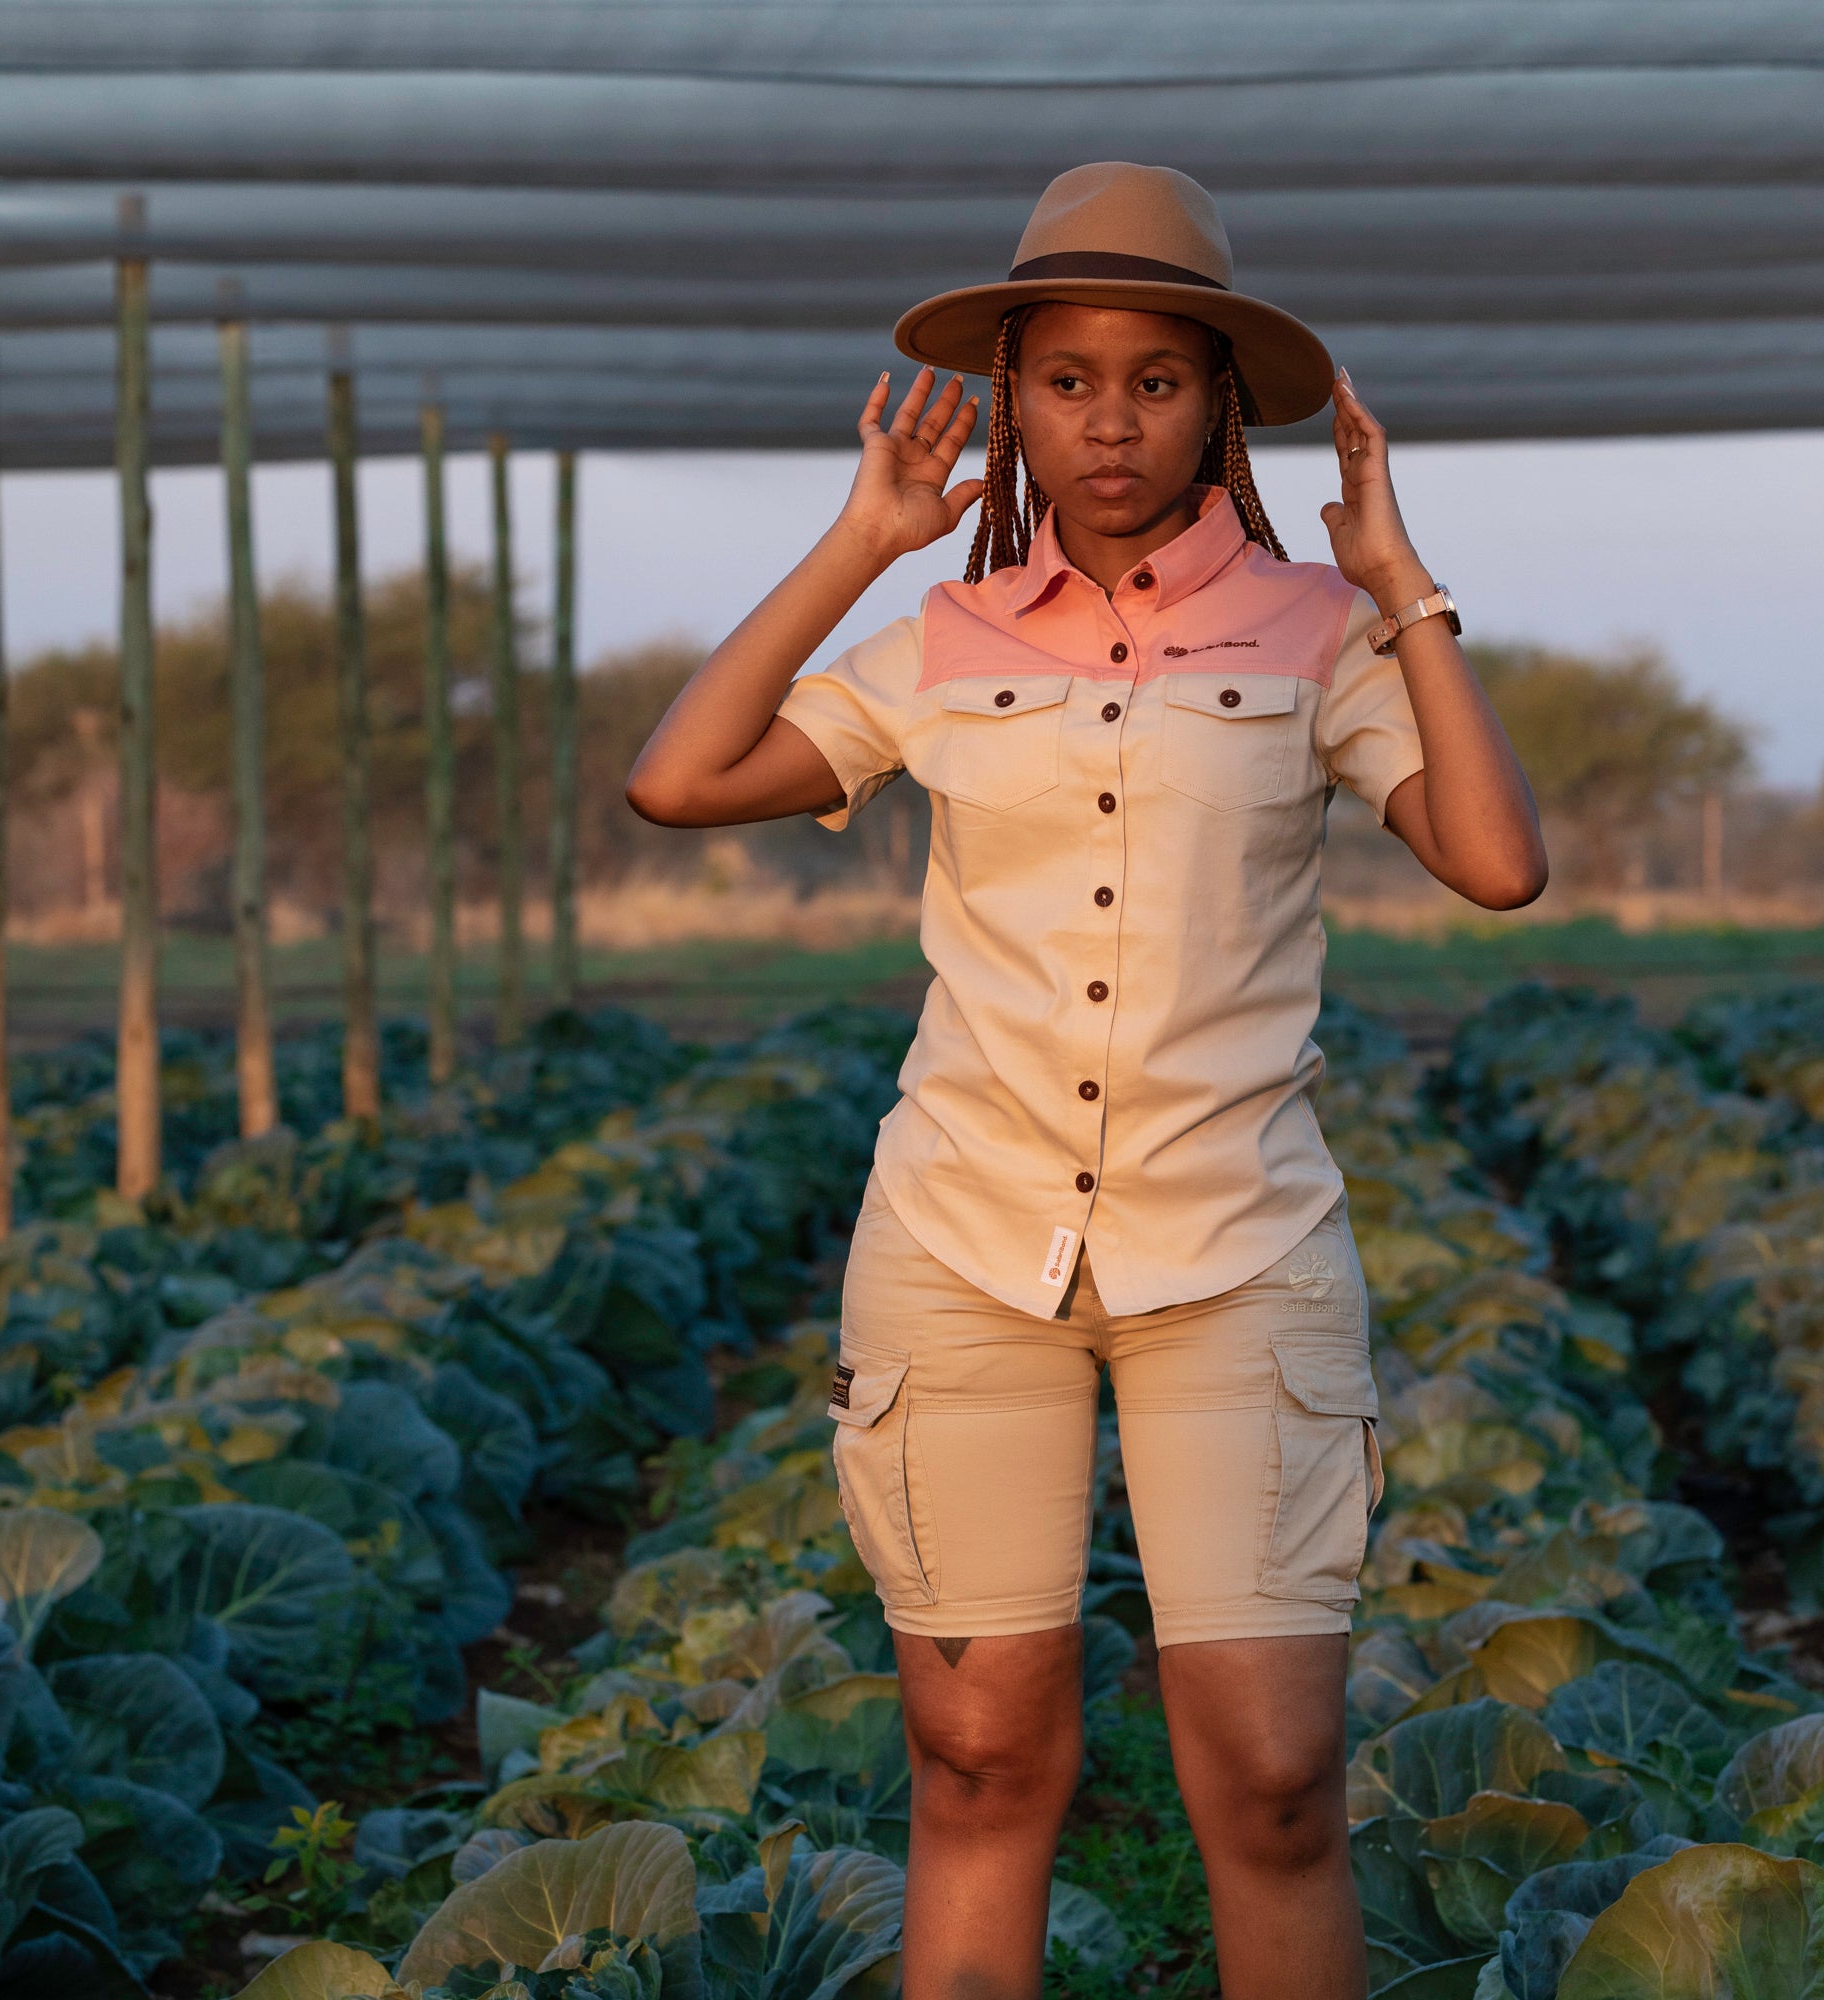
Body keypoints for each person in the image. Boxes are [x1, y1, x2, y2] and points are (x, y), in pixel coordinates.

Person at [629, 162, 1546, 2000]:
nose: (1108, 420)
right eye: (1066, 380)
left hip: (1238, 1249)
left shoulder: (1318, 633)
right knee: (977, 1759)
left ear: (1218, 407)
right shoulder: (943, 645)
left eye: (1153, 380)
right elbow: (680, 779)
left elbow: (1498, 861)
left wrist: (1402, 585)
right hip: (963, 1247)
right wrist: (863, 543)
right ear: (1014, 403)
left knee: (1277, 1779)